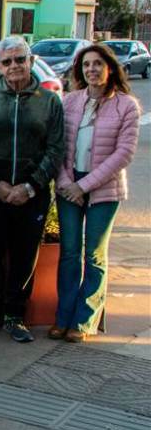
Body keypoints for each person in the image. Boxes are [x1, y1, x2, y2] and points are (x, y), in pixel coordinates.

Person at [0, 37, 65, 343]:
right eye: (7, 62)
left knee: (24, 256)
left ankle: (15, 316)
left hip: (32, 194)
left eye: (20, 59)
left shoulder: (49, 101)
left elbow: (55, 149)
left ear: (31, 61)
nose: (14, 66)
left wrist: (30, 186)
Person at [53, 44, 140, 341]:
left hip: (105, 188)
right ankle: (63, 317)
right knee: (69, 252)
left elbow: (124, 153)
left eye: (97, 64)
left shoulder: (126, 106)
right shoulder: (70, 102)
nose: (92, 69)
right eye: (86, 65)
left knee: (94, 255)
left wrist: (84, 185)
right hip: (69, 186)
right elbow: (58, 146)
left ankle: (84, 321)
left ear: (110, 68)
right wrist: (66, 182)